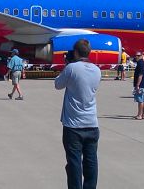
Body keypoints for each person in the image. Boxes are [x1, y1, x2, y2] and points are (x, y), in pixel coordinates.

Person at [54, 39, 101, 189]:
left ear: (75, 52)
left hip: (73, 125)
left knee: (74, 163)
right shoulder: (97, 70)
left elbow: (58, 85)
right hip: (92, 124)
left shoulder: (72, 68)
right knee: (91, 162)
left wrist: (67, 65)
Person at [132, 51, 144, 119]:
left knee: (140, 100)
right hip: (143, 84)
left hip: (140, 85)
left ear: (141, 56)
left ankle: (139, 115)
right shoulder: (142, 63)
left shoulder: (140, 63)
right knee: (143, 100)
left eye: (138, 55)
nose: (136, 57)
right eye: (136, 55)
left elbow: (140, 75)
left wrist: (137, 85)